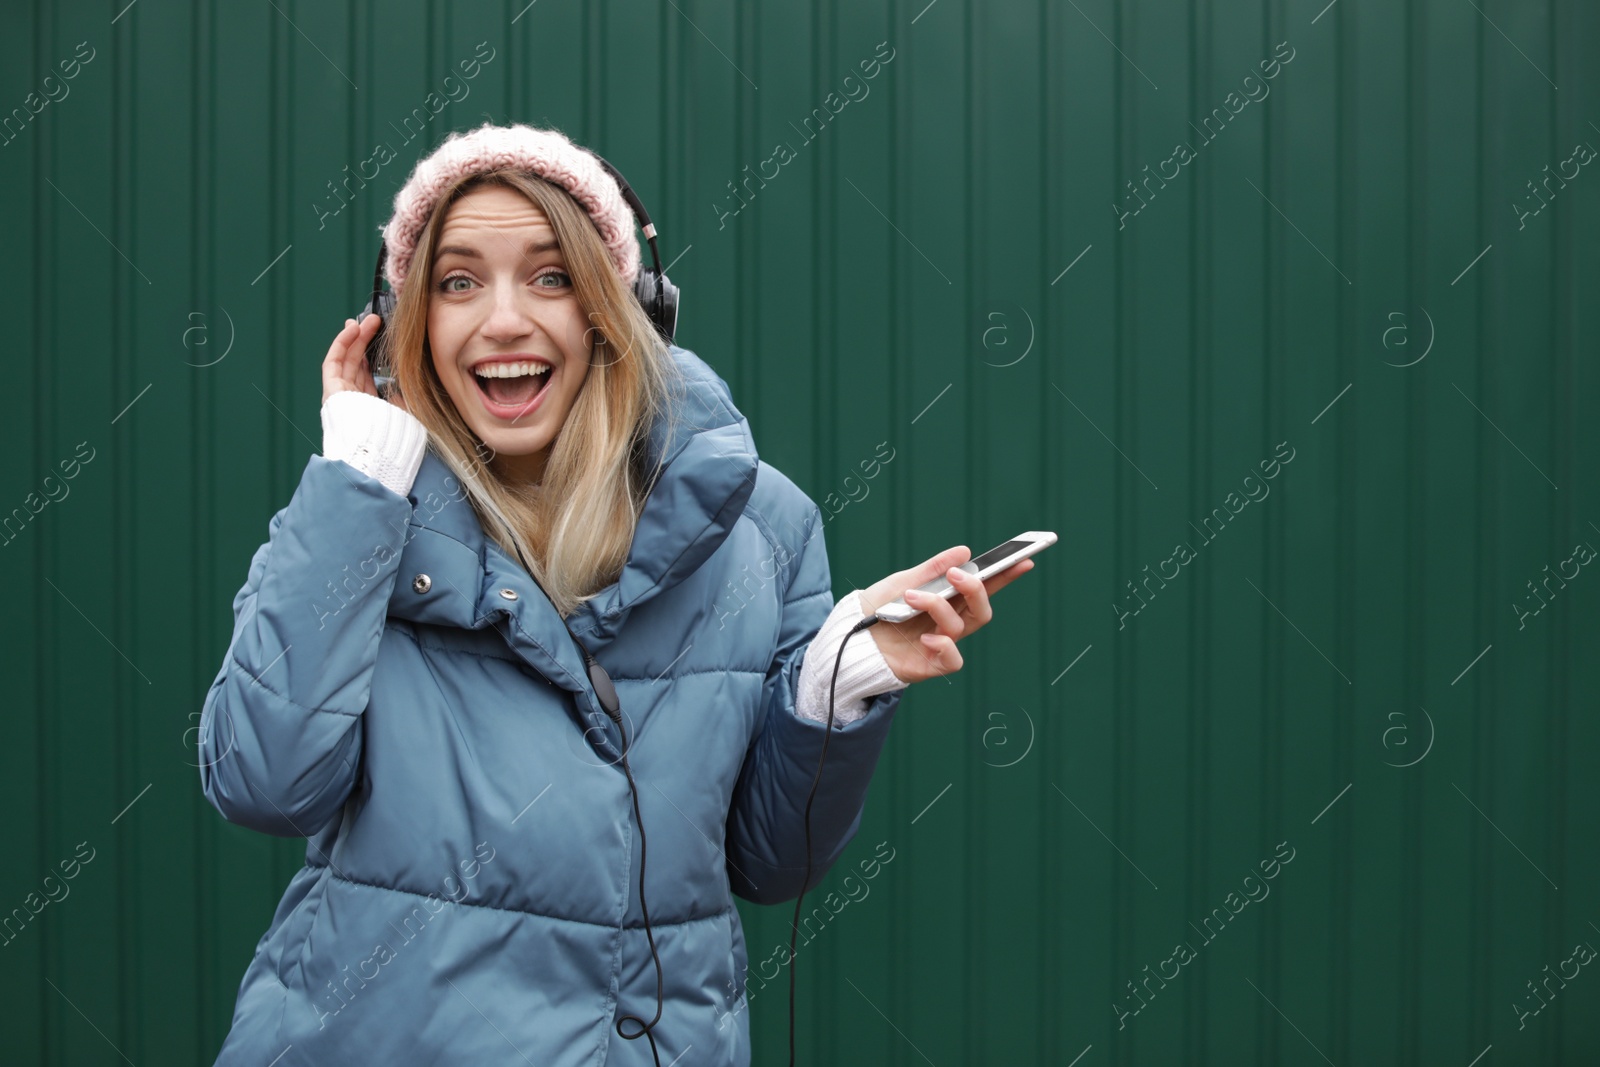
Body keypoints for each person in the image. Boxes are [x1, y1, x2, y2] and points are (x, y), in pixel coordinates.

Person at [197, 121, 1033, 1066]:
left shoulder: (762, 531)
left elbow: (770, 862)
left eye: (551, 276)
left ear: (621, 307)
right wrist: (355, 480)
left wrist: (831, 691)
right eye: (458, 280)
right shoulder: (364, 509)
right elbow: (262, 781)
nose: (503, 319)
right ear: (408, 319)